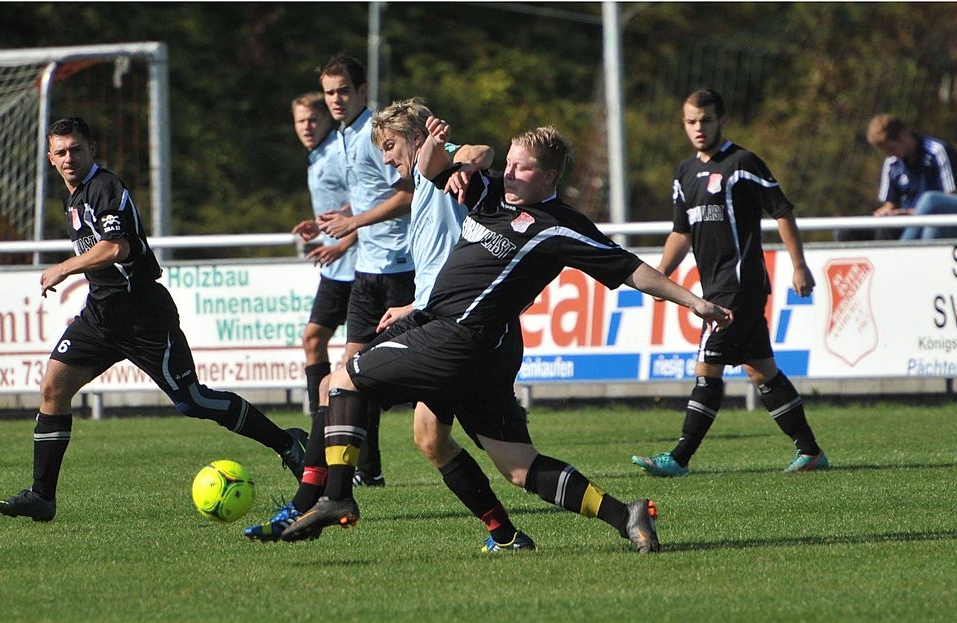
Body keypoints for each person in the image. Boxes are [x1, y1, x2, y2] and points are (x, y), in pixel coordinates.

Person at [279, 123, 733, 553]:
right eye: (510, 163)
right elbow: (433, 167)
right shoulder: (493, 191)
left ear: (550, 176)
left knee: (345, 380)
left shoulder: (558, 225)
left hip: (457, 338)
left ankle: (336, 495)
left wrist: (693, 301)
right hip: (465, 341)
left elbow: (631, 269)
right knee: (517, 465)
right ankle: (625, 515)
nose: (511, 173)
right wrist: (454, 149)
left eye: (523, 167)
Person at [0, 117, 306, 522]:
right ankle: (42, 497)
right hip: (102, 313)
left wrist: (64, 268)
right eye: (61, 152)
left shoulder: (105, 187)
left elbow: (117, 248)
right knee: (54, 388)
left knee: (192, 401)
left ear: (93, 149)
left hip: (143, 315)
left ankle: (287, 443)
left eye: (76, 149)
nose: (69, 157)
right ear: (50, 159)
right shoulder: (74, 197)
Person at [631, 88, 829, 478]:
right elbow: (681, 233)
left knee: (707, 369)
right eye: (691, 121)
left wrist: (799, 265)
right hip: (717, 286)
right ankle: (811, 452)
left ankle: (680, 457)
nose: (698, 128)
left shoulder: (742, 163)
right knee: (762, 372)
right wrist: (660, 276)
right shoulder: (684, 173)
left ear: (721, 120)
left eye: (706, 120)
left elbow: (782, 212)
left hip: (739, 286)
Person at [371, 98, 533, 552]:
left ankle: (325, 491)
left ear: (418, 138)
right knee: (430, 438)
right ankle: (504, 534)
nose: (386, 158)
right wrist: (411, 307)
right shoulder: (421, 185)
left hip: (463, 328)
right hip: (438, 317)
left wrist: (456, 157)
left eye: (390, 145)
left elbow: (482, 152)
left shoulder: (443, 165)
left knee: (346, 384)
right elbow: (439, 263)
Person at [242, 92, 356, 542]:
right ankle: (324, 444)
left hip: (360, 264)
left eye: (313, 118)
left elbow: (370, 206)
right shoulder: (315, 156)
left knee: (349, 374)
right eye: (299, 120)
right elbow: (343, 210)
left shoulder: (341, 151)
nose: (306, 126)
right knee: (317, 345)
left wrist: (341, 238)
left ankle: (347, 460)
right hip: (339, 263)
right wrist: (318, 227)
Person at [315, 54, 416, 489]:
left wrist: (353, 222)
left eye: (342, 91)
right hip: (366, 272)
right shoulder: (342, 135)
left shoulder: (375, 135)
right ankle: (360, 469)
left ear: (361, 93)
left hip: (399, 270)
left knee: (421, 380)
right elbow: (371, 197)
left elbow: (407, 195)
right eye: (328, 92)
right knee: (347, 375)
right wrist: (344, 224)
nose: (335, 100)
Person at [865, 113, 957, 241]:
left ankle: (903, 251)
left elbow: (948, 199)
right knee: (851, 232)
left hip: (941, 218)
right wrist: (884, 213)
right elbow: (890, 205)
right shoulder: (892, 162)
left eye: (892, 148)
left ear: (903, 136)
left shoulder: (937, 151)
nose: (890, 154)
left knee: (929, 202)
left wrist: (911, 212)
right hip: (908, 220)